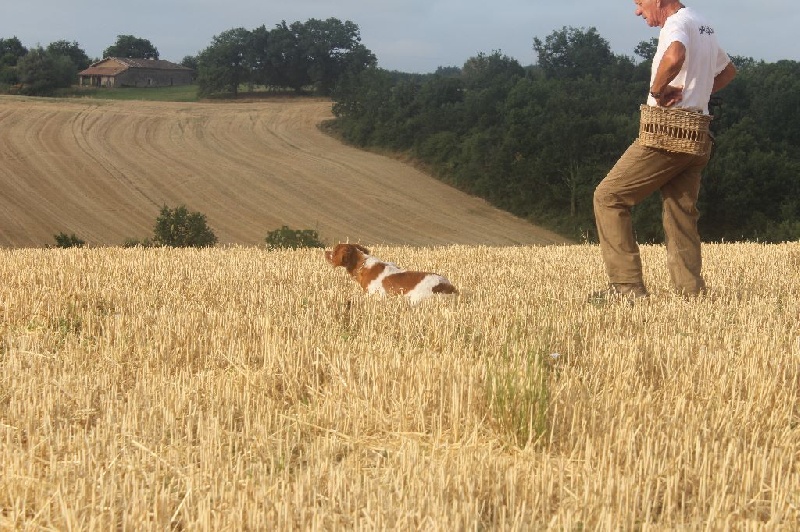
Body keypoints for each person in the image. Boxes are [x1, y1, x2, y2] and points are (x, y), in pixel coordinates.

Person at [590, 0, 737, 301]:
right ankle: (691, 294)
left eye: (640, 3)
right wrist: (697, 92)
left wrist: (659, 92)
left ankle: (627, 288)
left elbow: (675, 55)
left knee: (608, 197)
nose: (638, 11)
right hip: (698, 135)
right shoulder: (702, 23)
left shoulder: (676, 23)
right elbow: (728, 71)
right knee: (680, 215)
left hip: (667, 134)